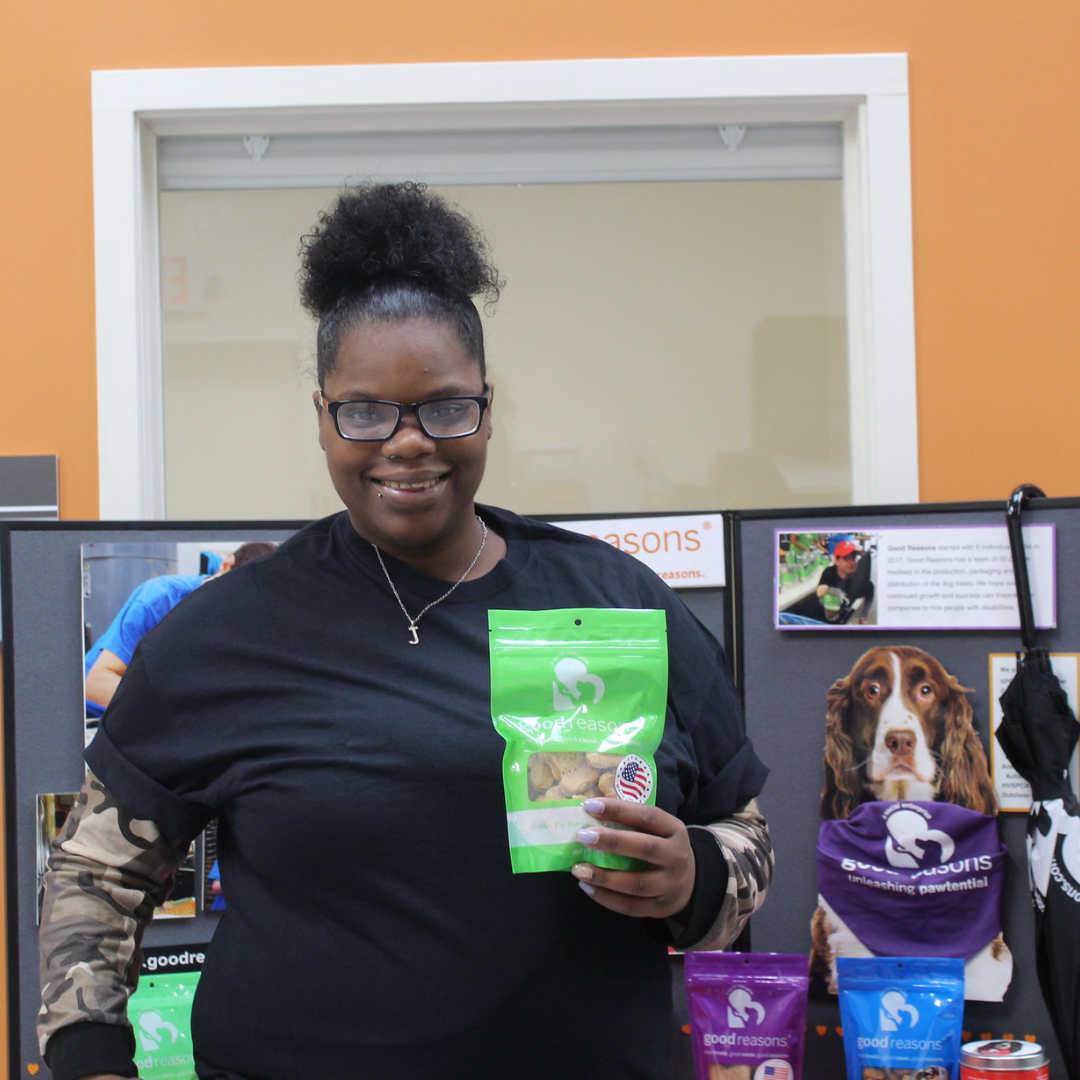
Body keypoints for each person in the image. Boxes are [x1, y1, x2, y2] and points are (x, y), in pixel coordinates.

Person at [39, 182, 772, 1080]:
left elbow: (745, 834)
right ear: (322, 419)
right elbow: (94, 874)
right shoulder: (228, 633)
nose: (409, 441)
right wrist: (87, 1059)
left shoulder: (617, 603)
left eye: (445, 407)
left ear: (488, 410)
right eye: (366, 410)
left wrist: (696, 875)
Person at [84, 542, 278, 714]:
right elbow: (96, 684)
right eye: (236, 598)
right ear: (225, 565)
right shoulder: (159, 598)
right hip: (95, 712)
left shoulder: (250, 621)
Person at [814, 539, 875, 624]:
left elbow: (870, 596)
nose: (853, 562)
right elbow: (820, 592)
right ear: (836, 561)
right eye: (847, 558)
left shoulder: (861, 581)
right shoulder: (829, 573)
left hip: (844, 620)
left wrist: (863, 617)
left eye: (854, 557)